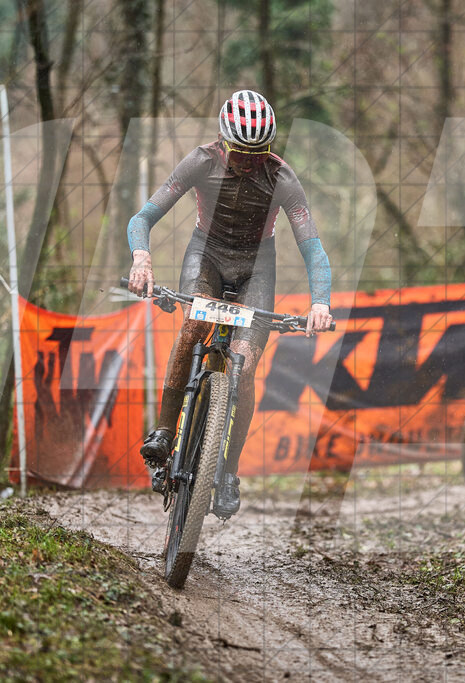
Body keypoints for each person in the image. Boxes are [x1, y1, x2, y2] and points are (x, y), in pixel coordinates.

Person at [126, 89, 333, 517]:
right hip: (207, 257)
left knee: (243, 367)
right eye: (241, 153)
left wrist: (320, 302)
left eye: (259, 154)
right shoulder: (201, 161)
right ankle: (166, 431)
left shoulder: (282, 179)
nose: (249, 163)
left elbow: (313, 248)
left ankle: (228, 472)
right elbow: (143, 217)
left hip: (258, 267)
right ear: (224, 143)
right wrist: (142, 259)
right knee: (194, 326)